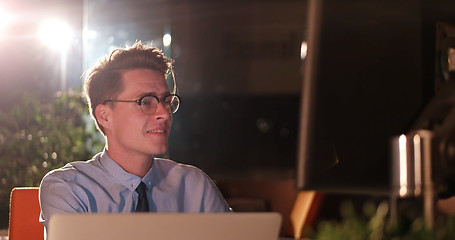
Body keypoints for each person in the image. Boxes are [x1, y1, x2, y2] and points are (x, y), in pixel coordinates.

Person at [39, 41, 231, 237]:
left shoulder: (193, 185)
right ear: (105, 116)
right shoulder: (71, 188)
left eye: (166, 101)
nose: (164, 113)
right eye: (145, 101)